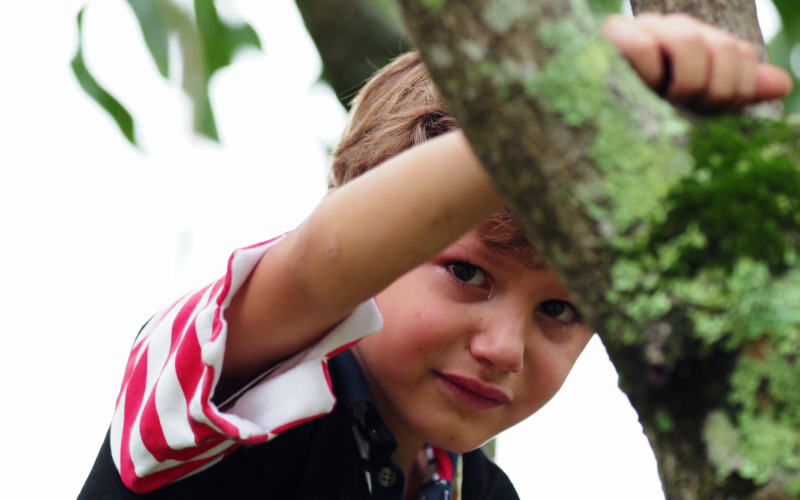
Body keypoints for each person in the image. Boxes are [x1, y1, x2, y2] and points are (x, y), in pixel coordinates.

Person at [78, 13, 792, 500]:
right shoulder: (231, 379)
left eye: (561, 309)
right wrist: (568, 99)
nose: (503, 347)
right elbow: (318, 266)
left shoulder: (480, 490)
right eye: (466, 272)